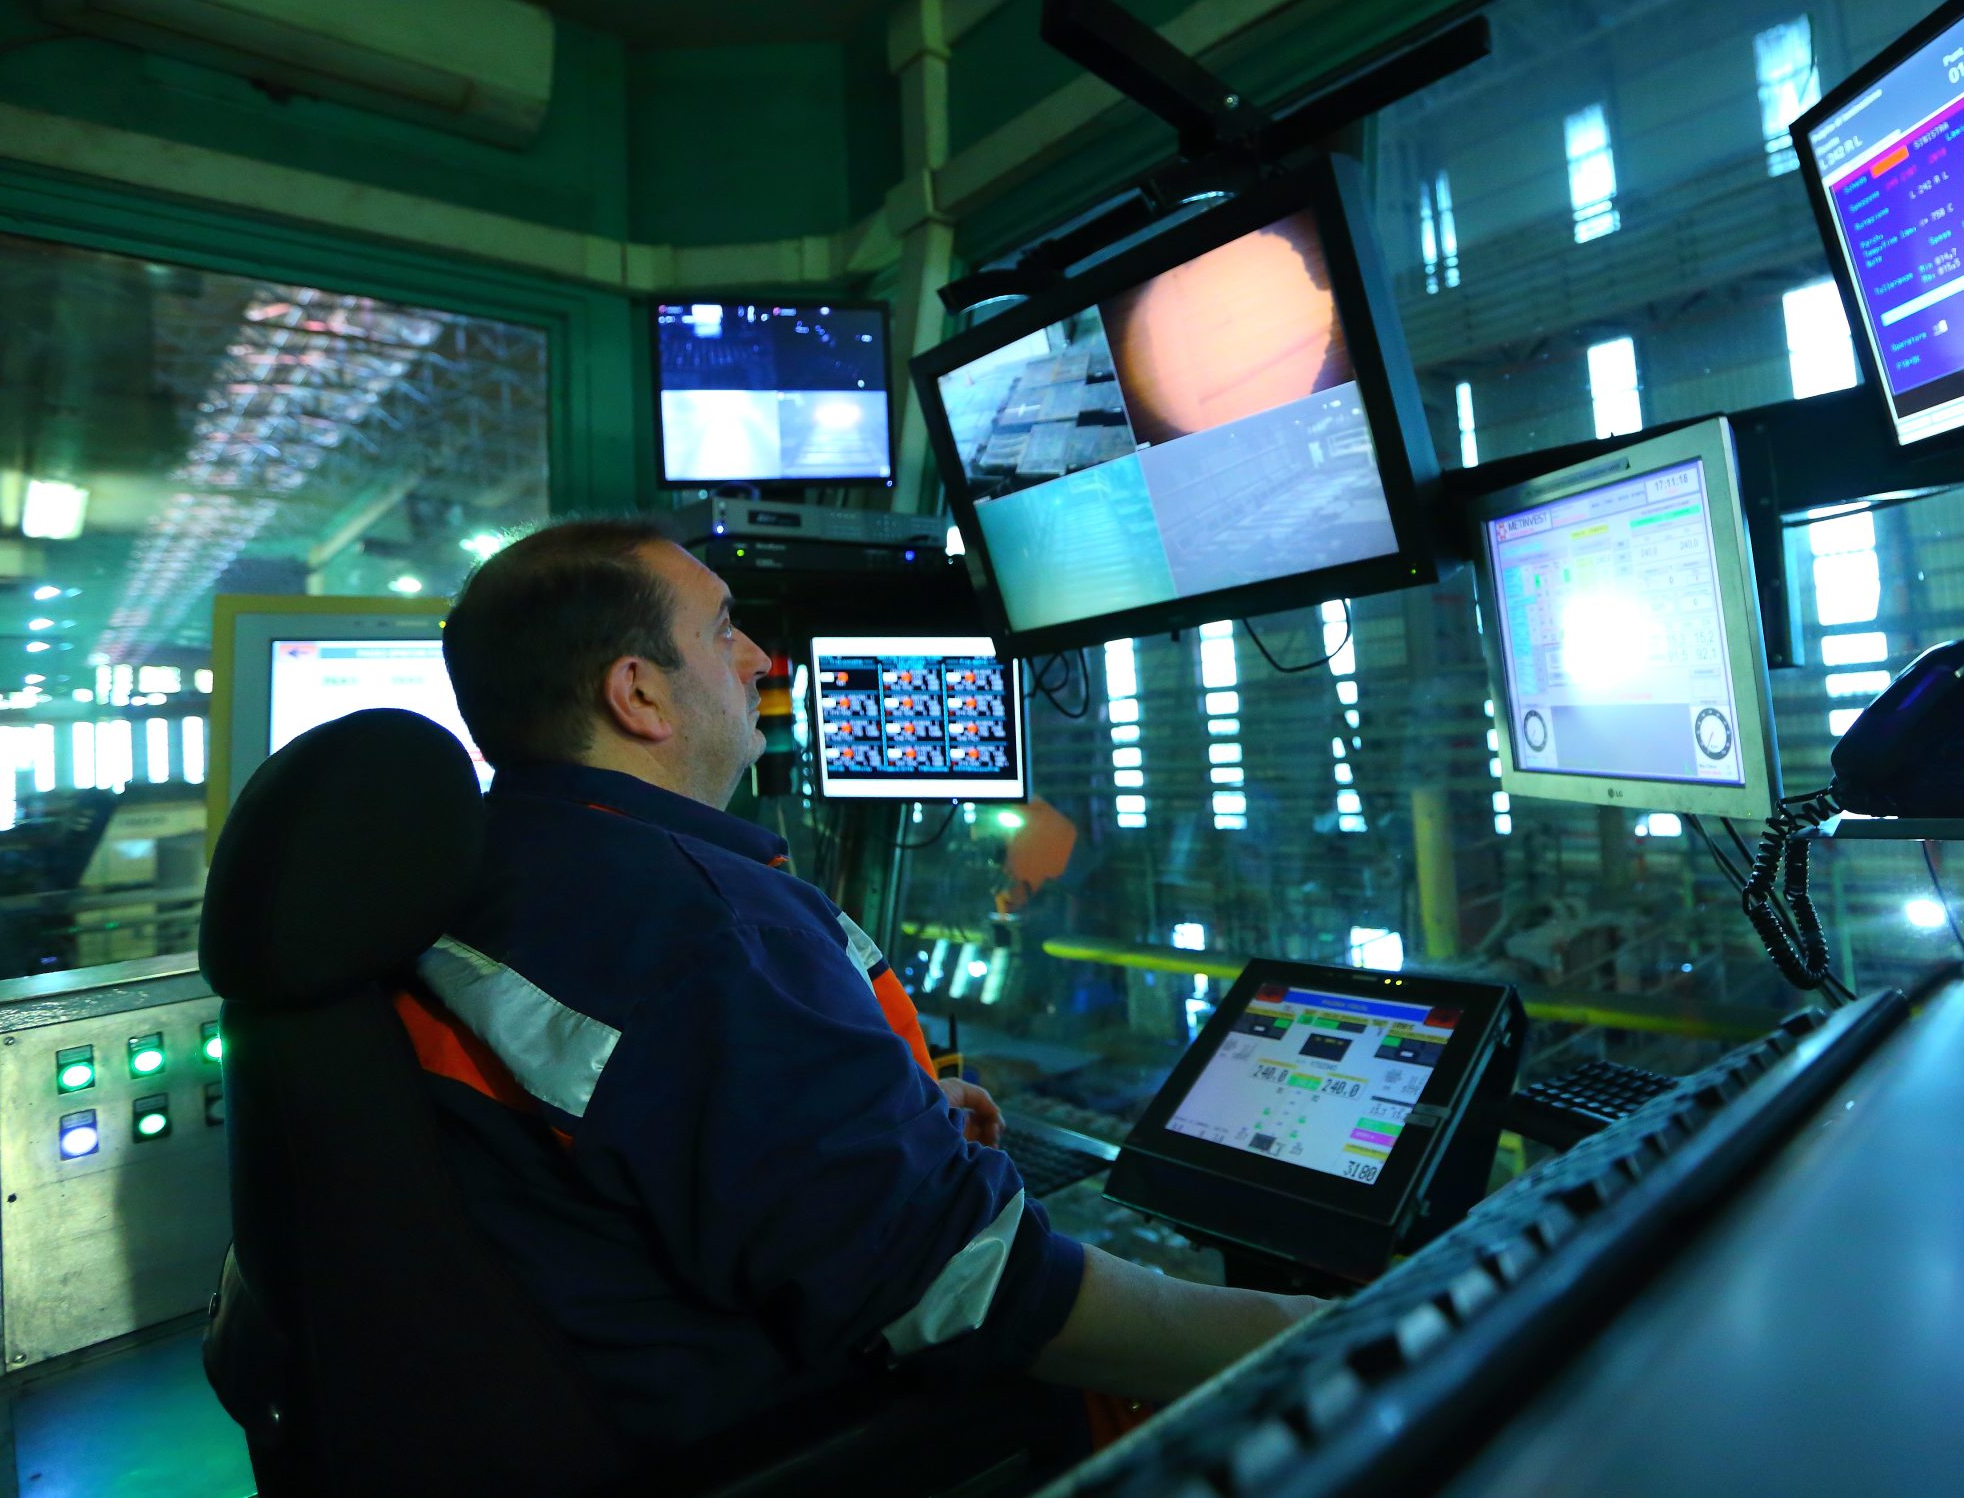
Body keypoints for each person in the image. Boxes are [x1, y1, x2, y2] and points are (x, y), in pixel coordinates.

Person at [423, 515, 1315, 1451]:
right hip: (767, 1436)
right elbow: (970, 1287)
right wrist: (1332, 1330)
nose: (761, 659)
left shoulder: (498, 869)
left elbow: (643, 1102)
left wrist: (852, 1112)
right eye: (724, 629)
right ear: (638, 693)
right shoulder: (709, 931)